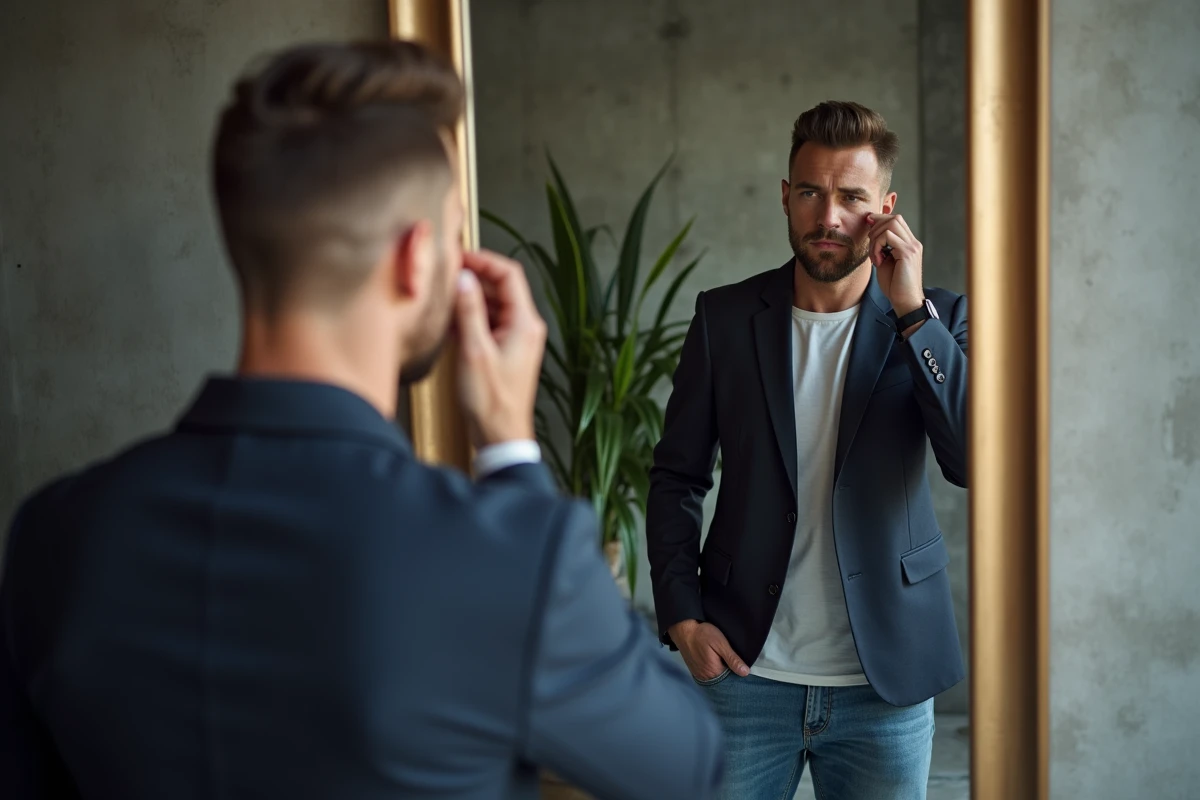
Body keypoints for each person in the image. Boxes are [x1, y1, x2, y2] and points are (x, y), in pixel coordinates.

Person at [0, 40, 723, 800]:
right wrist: (511, 450)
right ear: (417, 259)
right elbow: (687, 771)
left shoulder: (56, 532)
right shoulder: (503, 554)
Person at [647, 100, 967, 799]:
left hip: (886, 685)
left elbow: (972, 460)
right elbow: (676, 477)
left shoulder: (936, 320)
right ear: (785, 198)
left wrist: (913, 316)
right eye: (811, 193)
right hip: (742, 676)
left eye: (851, 197)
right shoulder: (724, 319)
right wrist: (680, 616)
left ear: (884, 209)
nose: (828, 217)